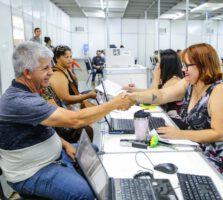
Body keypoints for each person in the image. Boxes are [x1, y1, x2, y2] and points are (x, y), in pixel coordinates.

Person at [0, 42, 134, 199]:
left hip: (52, 156)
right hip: (33, 171)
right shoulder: (20, 101)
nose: (51, 72)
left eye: (50, 67)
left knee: (94, 150)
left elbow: (45, 128)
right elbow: (75, 120)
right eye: (45, 69)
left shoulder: (30, 92)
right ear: (27, 73)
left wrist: (65, 144)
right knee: (87, 194)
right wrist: (115, 103)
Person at [122, 43, 223, 180]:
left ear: (203, 65)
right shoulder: (189, 83)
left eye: (187, 65)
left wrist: (179, 134)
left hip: (216, 157)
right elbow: (162, 95)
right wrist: (133, 97)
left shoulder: (220, 91)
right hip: (194, 147)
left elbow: (218, 133)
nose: (183, 69)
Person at [124, 49, 185, 128]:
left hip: (174, 123)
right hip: (167, 118)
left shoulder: (174, 81)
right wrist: (131, 90)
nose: (156, 65)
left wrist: (156, 78)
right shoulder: (169, 79)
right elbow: (151, 92)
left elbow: (153, 99)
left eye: (158, 62)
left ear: (165, 65)